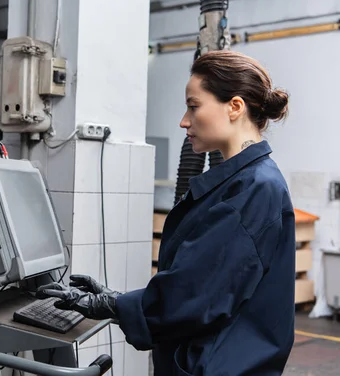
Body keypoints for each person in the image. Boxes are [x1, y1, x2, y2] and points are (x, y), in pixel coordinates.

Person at [37, 50, 296, 375]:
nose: (184, 120)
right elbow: (202, 279)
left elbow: (195, 294)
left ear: (234, 107)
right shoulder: (243, 181)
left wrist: (113, 304)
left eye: (193, 105)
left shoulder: (254, 188)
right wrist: (118, 301)